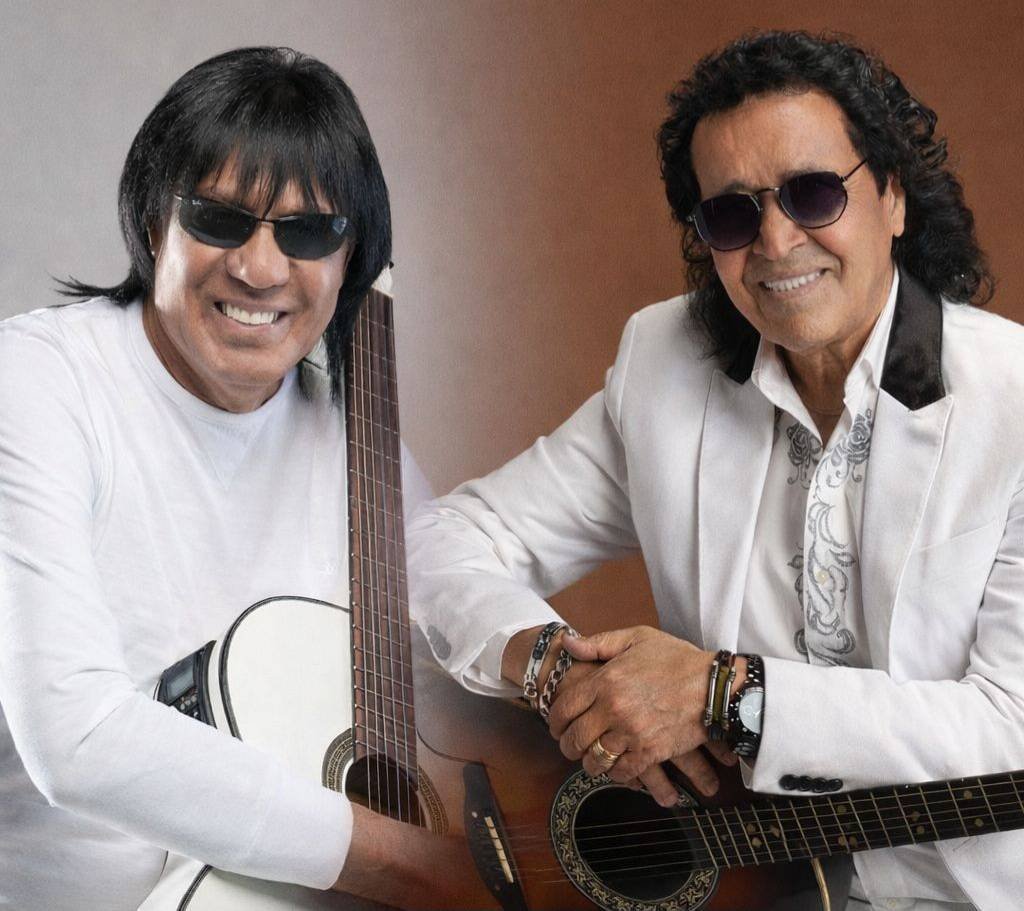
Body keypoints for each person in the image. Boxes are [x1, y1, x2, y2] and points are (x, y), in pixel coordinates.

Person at [407, 30, 1022, 911]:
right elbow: (436, 541)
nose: (775, 241)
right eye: (732, 214)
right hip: (750, 889)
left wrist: (724, 694)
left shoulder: (1014, 401)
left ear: (892, 195)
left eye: (813, 193)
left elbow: (1009, 729)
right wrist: (556, 672)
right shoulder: (665, 366)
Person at [0, 46, 482, 911]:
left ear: (350, 262)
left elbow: (463, 630)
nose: (260, 269)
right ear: (154, 223)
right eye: (220, 219)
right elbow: (75, 733)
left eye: (309, 233)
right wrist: (409, 863)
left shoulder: (360, 451)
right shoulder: (35, 381)